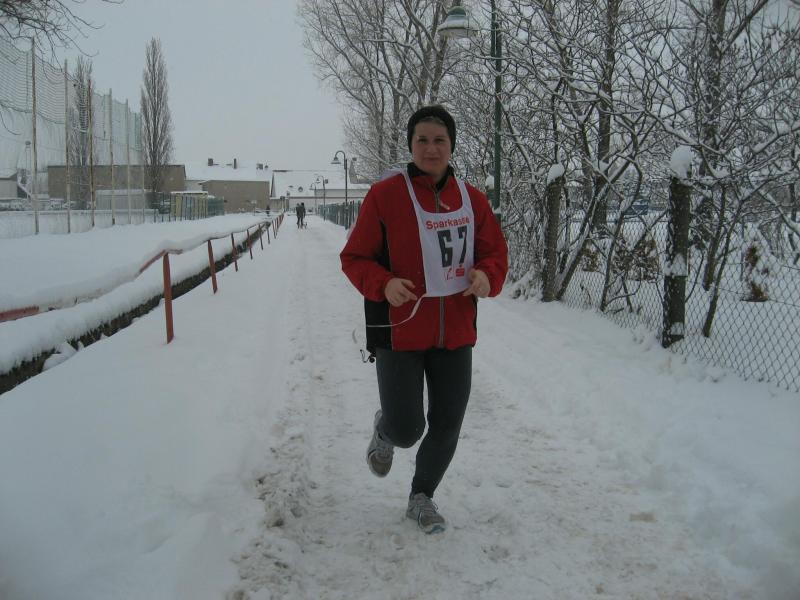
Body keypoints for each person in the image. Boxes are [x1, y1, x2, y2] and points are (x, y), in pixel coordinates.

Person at [340, 105, 508, 533]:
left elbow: (495, 253)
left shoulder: (473, 200)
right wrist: (383, 284)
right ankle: (386, 431)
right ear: (410, 145)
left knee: (448, 423)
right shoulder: (385, 196)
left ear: (452, 146)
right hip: (400, 332)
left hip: (456, 333)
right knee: (407, 427)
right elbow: (354, 257)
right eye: (422, 140)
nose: (431, 149)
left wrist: (486, 276)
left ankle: (422, 497)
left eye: (440, 141)